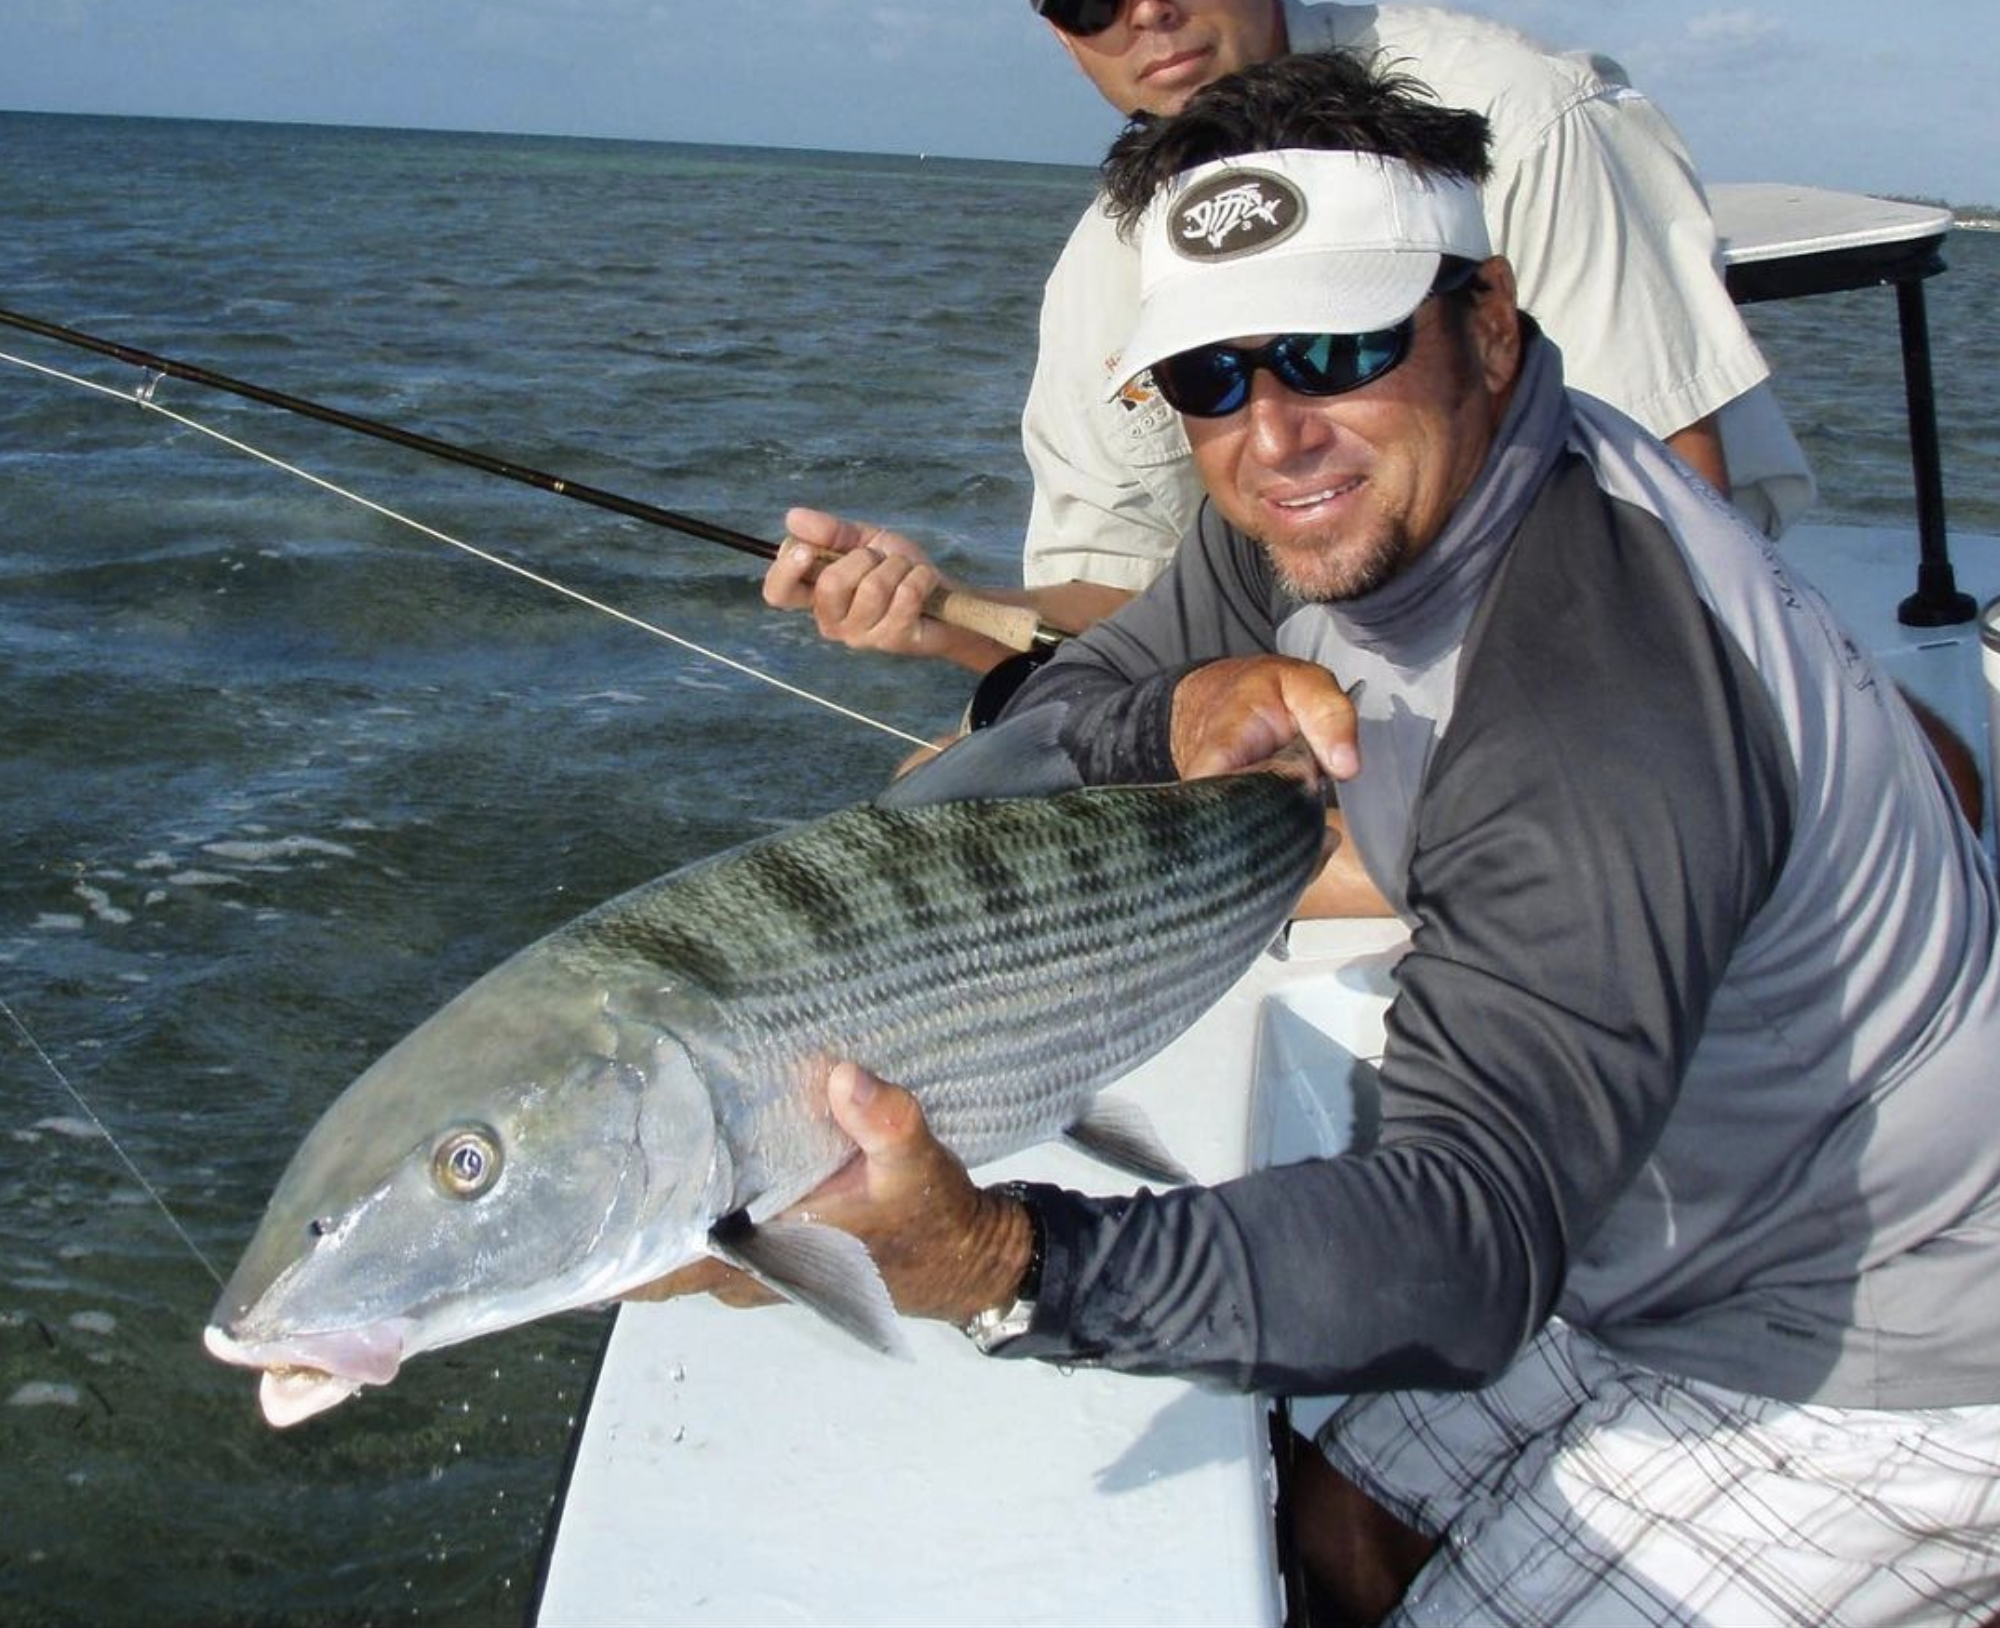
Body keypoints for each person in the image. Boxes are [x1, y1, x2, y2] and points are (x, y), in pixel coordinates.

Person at [665, 52, 2000, 1625]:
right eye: (1209, 377)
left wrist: (1001, 1260)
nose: (1274, 433)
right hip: (1652, 1218)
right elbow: (1080, 689)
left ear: (1488, 321)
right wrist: (1176, 717)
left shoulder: (1596, 703)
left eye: (1334, 344)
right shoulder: (1339, 515)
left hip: (1881, 1347)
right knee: (1328, 1526)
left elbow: (1466, 1246)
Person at [763, 0, 1812, 673]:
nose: (1148, 12)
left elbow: (1678, 514)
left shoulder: (1524, 116)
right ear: (1057, 33)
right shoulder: (1100, 264)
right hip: (1312, 690)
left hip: (1611, 660)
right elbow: (1126, 607)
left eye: (1343, 349)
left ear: (1489, 318)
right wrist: (942, 607)